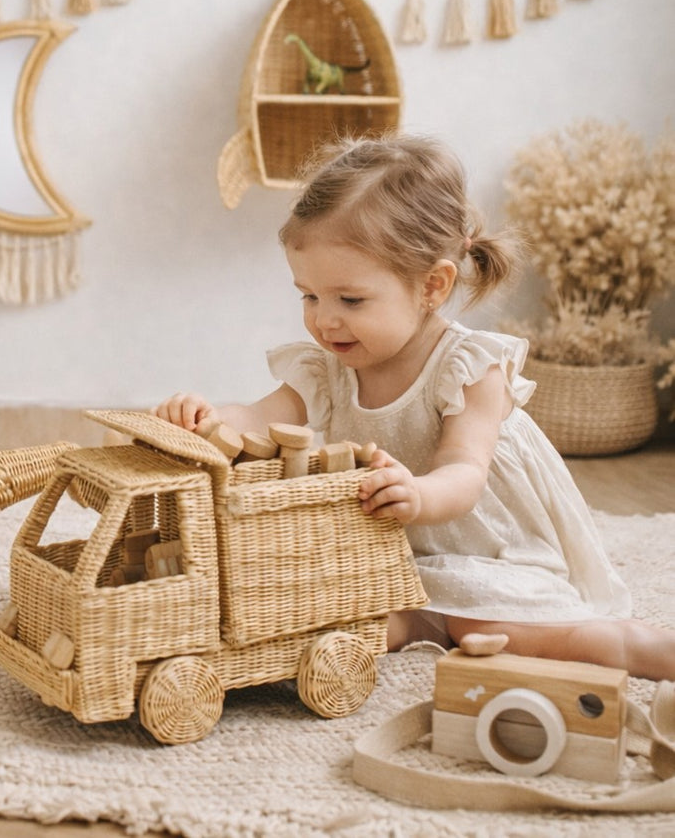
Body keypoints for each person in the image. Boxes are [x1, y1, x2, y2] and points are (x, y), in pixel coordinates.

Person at [156, 134, 675, 681]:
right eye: (308, 296)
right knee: (342, 621)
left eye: (349, 300)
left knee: (492, 631)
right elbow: (263, 417)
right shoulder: (328, 368)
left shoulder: (469, 368)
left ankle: (640, 648)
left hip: (487, 547)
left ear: (431, 286)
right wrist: (209, 417)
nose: (323, 320)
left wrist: (418, 494)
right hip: (397, 553)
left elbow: (465, 473)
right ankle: (427, 621)